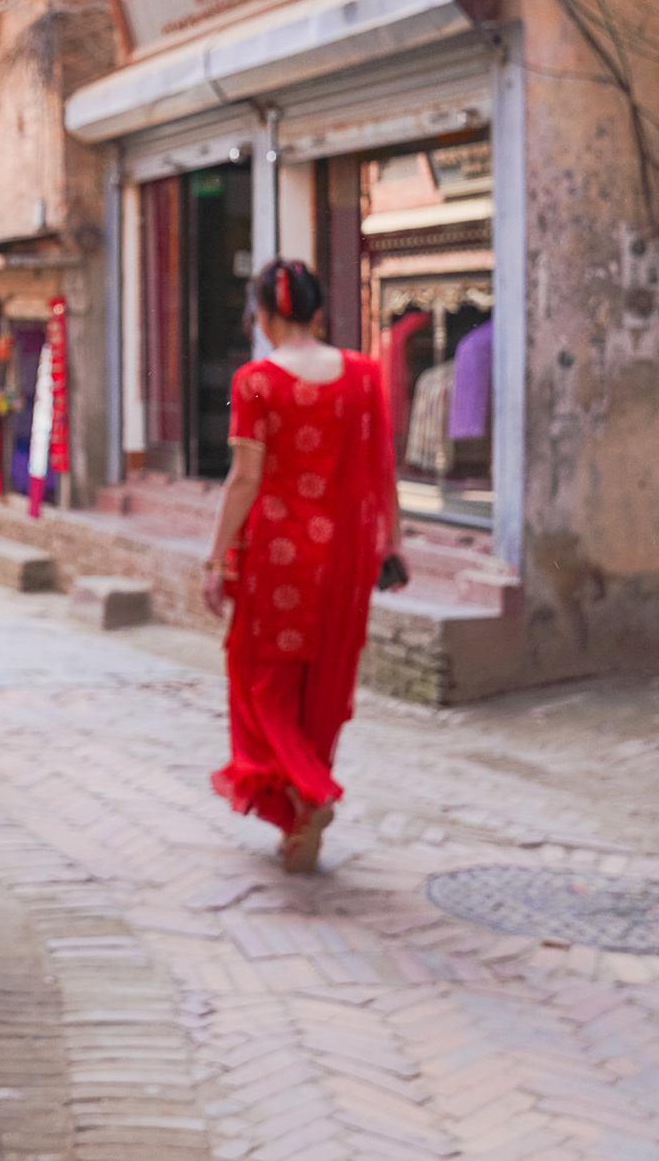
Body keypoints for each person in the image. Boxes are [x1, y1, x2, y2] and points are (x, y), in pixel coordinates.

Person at [201, 257, 399, 876]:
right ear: (317, 311)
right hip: (343, 554)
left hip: (278, 556)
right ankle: (301, 809)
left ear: (262, 316)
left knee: (263, 681)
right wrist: (392, 542)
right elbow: (381, 467)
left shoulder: (256, 380)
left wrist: (214, 557)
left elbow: (246, 478)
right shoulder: (364, 375)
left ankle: (310, 793)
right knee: (322, 681)